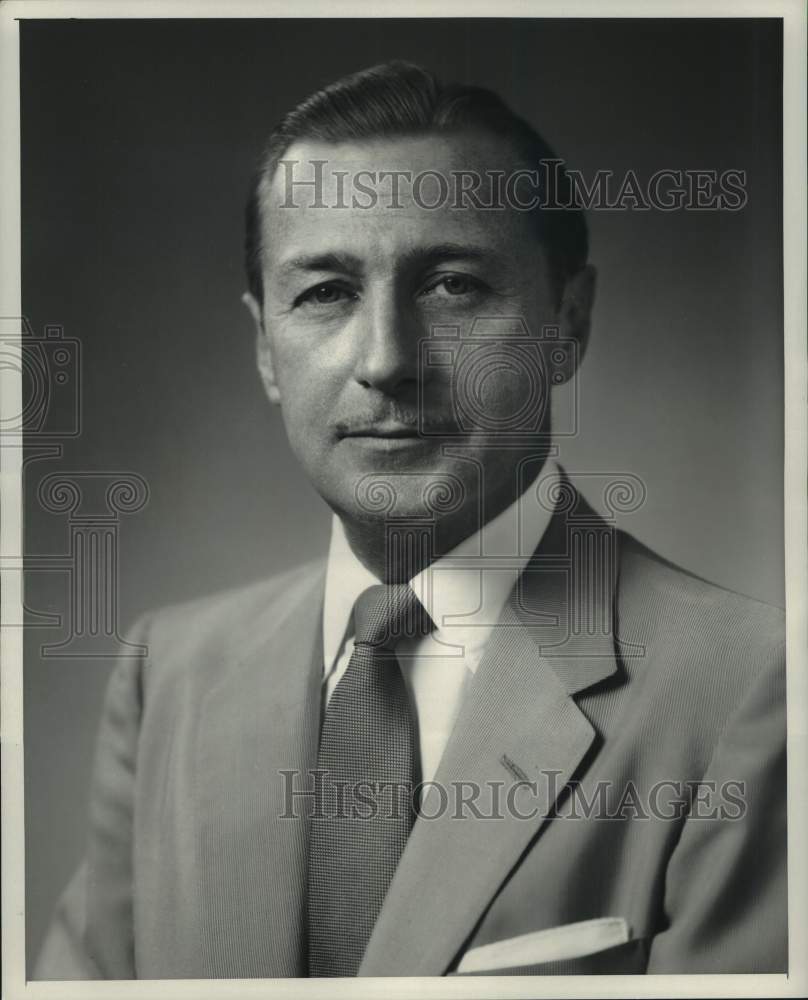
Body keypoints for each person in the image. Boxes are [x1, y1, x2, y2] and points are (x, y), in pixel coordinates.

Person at [35, 61, 786, 979]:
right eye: (326, 293)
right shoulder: (171, 678)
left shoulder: (755, 689)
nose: (387, 360)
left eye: (453, 285)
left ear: (569, 324)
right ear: (265, 348)